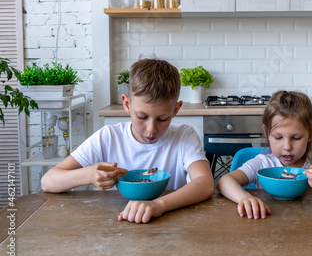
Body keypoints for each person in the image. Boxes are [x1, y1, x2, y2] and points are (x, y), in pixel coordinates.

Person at [41, 58, 214, 223]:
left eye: (163, 119)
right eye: (141, 116)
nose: (151, 129)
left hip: (174, 225)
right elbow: (48, 181)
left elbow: (205, 184)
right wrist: (89, 174)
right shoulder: (108, 137)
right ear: (127, 104)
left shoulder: (184, 136)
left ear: (175, 110)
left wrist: (158, 205)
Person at [217, 91, 312, 219]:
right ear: (267, 133)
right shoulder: (262, 163)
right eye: (278, 137)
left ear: (311, 133)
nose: (287, 147)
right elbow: (224, 181)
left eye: (296, 138)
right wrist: (244, 198)